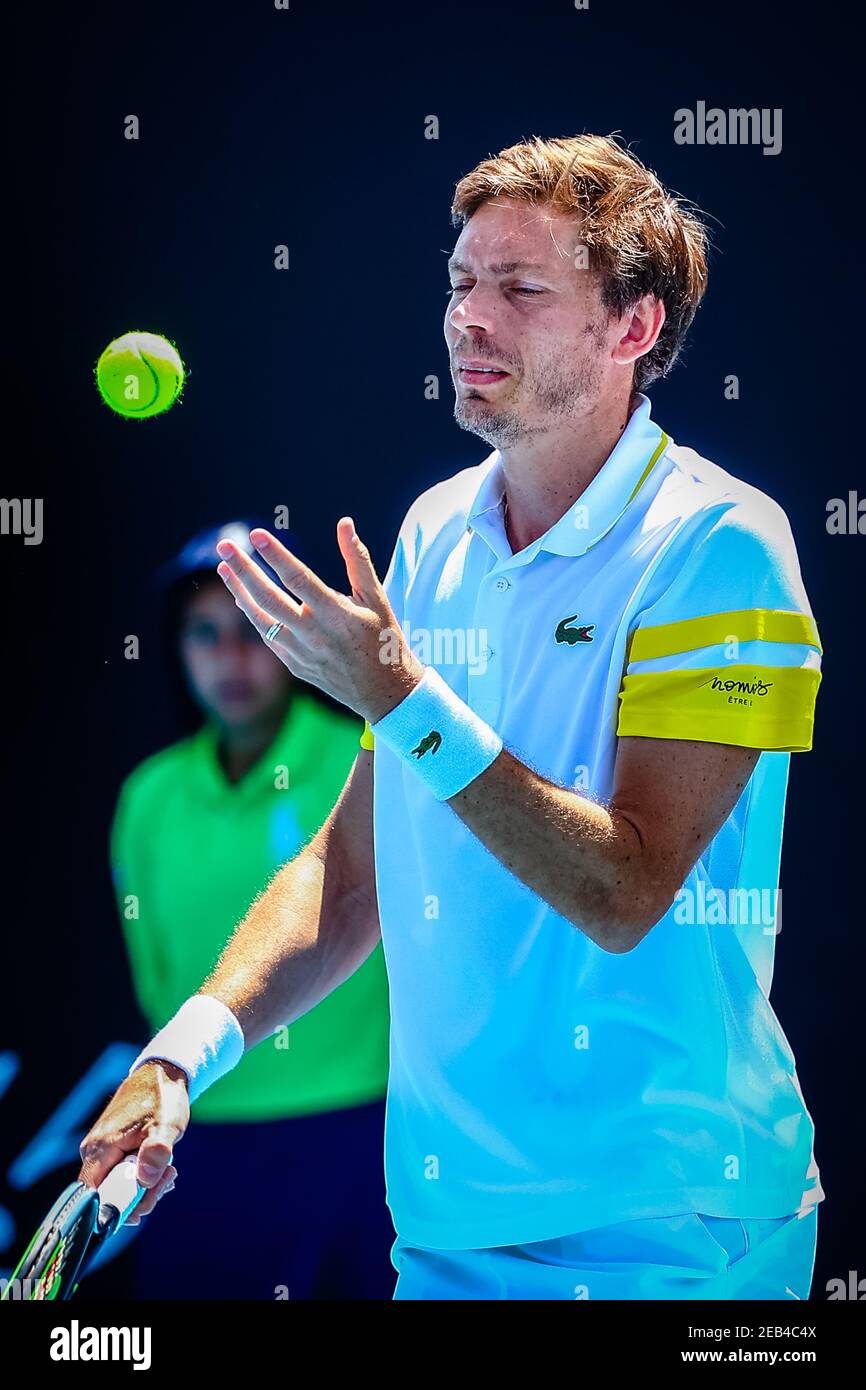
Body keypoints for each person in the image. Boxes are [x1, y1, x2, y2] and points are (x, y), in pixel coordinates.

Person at [82, 135, 824, 1300]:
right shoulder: (431, 531)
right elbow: (355, 874)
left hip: (667, 1230)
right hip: (439, 1225)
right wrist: (181, 1055)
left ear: (630, 328)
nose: (467, 319)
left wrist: (398, 696)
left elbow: (622, 892)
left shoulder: (720, 545)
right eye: (459, 282)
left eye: (520, 289)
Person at [109, 520, 394, 1298]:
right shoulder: (147, 797)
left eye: (252, 631)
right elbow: (156, 969)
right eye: (205, 634)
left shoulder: (364, 753)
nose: (230, 659)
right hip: (194, 1141)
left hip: (358, 1136)